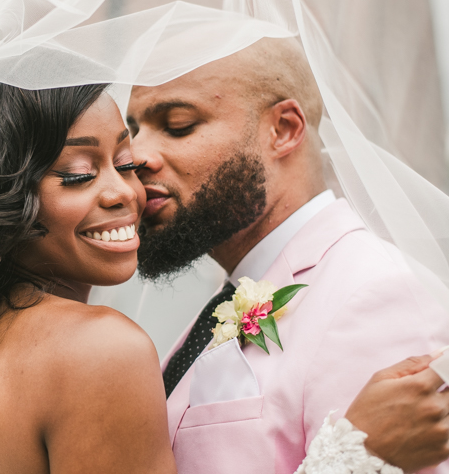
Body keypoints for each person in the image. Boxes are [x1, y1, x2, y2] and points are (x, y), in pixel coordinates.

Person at [0, 77, 449, 474]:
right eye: (77, 173)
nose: (129, 188)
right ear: (1, 199)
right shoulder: (94, 349)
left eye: (120, 162)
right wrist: (351, 457)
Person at [127, 36, 449, 473]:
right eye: (133, 130)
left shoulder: (371, 294)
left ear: (284, 130)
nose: (135, 156)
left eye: (179, 124)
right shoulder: (224, 303)